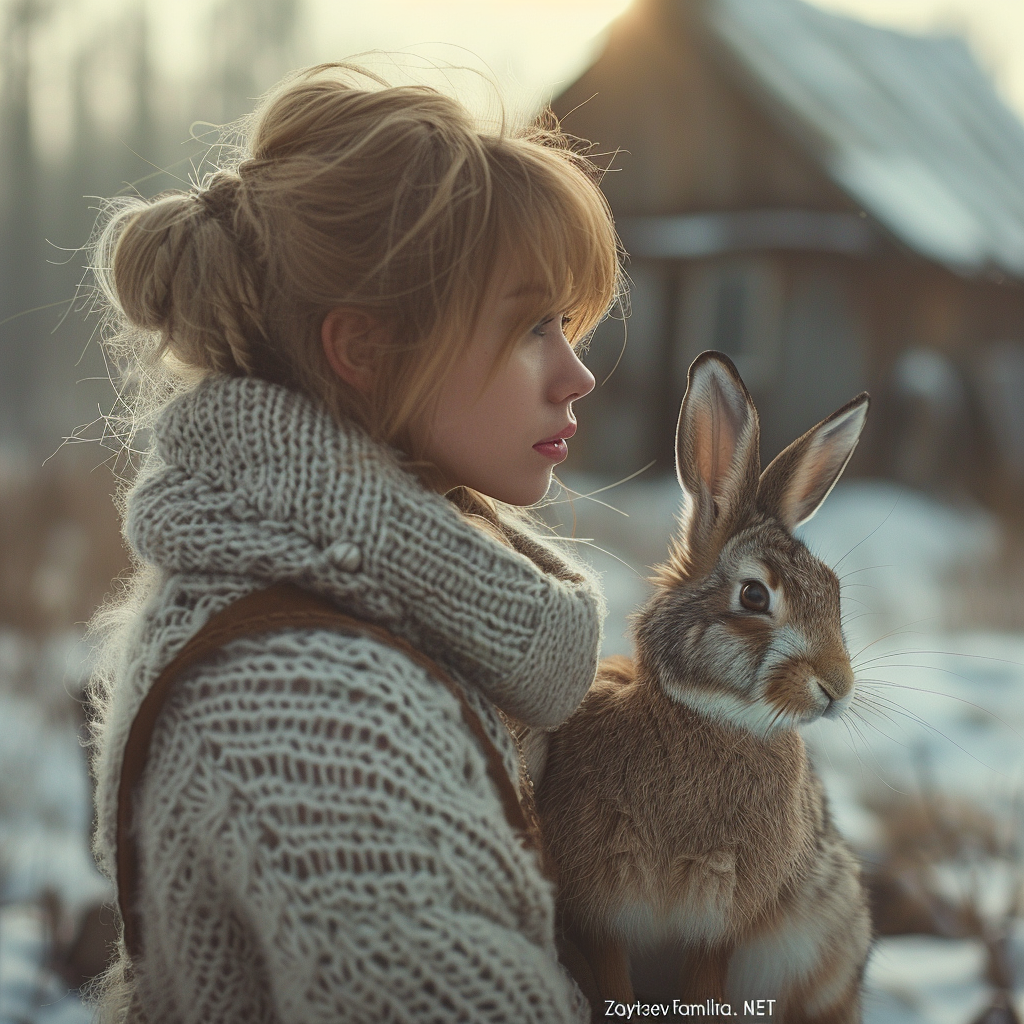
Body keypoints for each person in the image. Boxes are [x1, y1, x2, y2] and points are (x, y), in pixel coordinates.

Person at [84, 61, 622, 1023]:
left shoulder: (371, 603)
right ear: (366, 350)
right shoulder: (304, 702)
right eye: (533, 325)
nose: (576, 374)